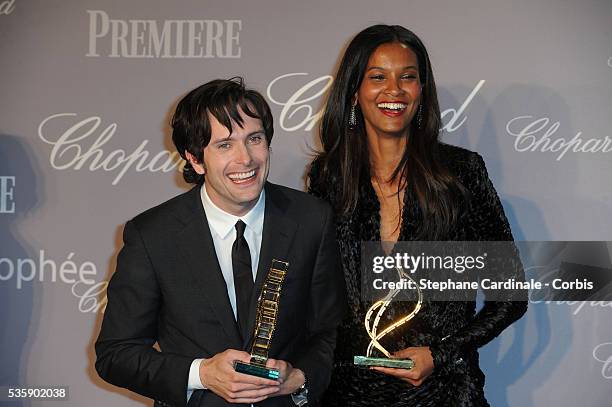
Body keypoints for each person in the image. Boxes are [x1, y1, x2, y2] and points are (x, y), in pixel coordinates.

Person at [307, 25, 527, 406]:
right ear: (354, 92)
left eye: (407, 77)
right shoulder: (329, 179)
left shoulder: (460, 173)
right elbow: (319, 301)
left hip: (444, 392)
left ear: (422, 91)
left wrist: (441, 354)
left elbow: (510, 296)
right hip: (349, 393)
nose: (394, 90)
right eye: (377, 77)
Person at [95, 77, 345, 407]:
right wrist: (201, 374)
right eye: (225, 145)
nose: (246, 159)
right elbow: (116, 354)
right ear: (195, 159)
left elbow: (332, 332)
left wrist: (300, 378)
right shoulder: (152, 235)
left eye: (254, 139)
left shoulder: (312, 219)